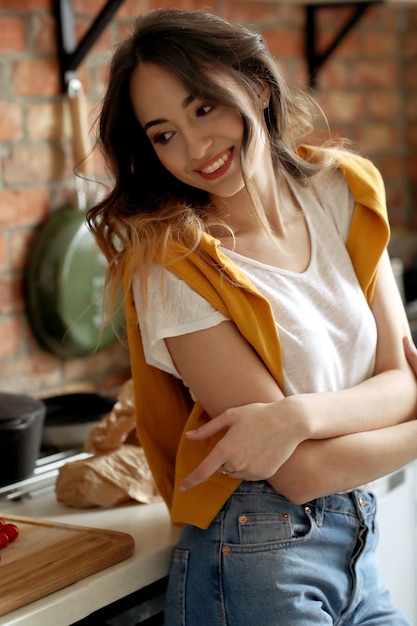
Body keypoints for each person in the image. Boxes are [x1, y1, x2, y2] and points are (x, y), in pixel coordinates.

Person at [87, 8, 417, 625]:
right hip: (254, 562)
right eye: (163, 134)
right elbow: (297, 471)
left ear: (255, 86)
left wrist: (298, 415)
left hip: (357, 551)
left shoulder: (342, 191)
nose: (195, 148)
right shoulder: (173, 263)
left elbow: (402, 379)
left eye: (203, 108)